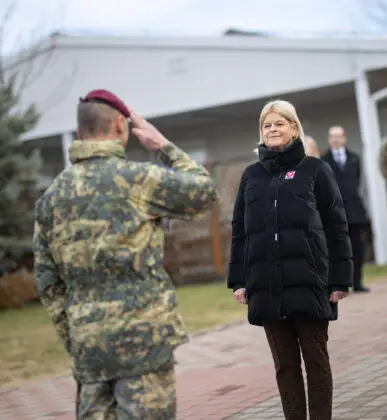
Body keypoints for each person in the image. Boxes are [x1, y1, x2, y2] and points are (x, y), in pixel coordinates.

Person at [33, 89, 218, 420]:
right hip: (143, 345)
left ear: (80, 132)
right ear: (121, 125)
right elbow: (203, 191)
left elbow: (48, 284)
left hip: (89, 348)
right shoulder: (138, 179)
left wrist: (78, 336)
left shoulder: (51, 198)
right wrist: (162, 145)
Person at [228, 100, 353, 420]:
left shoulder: (316, 170)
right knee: (284, 367)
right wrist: (239, 280)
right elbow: (240, 230)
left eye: (279, 123)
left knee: (316, 361)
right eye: (267, 125)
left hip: (310, 282)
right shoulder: (251, 176)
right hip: (266, 285)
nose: (272, 129)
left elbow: (337, 226)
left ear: (294, 128)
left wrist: (340, 279)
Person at [321, 126, 369, 293]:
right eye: (332, 137)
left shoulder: (355, 158)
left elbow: (356, 182)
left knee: (357, 247)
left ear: (344, 138)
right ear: (329, 139)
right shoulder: (323, 160)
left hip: (355, 212)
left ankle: (358, 282)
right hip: (334, 212)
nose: (335, 140)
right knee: (337, 249)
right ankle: (340, 284)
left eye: (338, 136)